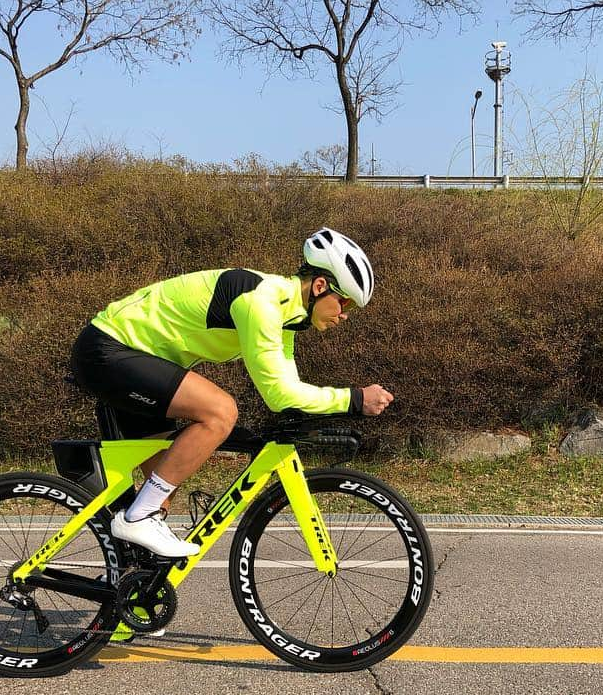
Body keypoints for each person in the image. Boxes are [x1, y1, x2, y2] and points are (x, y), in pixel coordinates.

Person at [69, 228, 394, 558]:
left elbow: (288, 391)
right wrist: (354, 399)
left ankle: (129, 587)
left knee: (160, 494)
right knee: (220, 411)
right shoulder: (261, 301)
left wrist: (331, 408)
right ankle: (135, 520)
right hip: (110, 350)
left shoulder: (286, 319)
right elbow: (280, 394)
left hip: (138, 362)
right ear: (321, 286)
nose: (345, 315)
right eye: (345, 302)